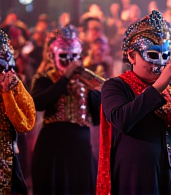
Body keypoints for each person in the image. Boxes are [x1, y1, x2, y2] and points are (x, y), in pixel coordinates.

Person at [97, 10, 171, 195]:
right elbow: (122, 120)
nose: (160, 63)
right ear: (131, 56)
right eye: (153, 56)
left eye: (165, 56)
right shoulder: (115, 86)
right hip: (137, 176)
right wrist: (160, 84)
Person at [30, 24, 101, 195]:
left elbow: (96, 120)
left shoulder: (88, 79)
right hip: (53, 147)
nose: (70, 62)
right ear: (51, 56)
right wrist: (65, 79)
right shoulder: (44, 79)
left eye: (74, 57)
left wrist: (95, 95)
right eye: (64, 56)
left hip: (80, 147)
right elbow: (38, 104)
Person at [0, 29, 36, 195]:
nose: (6, 73)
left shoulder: (12, 85)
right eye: (1, 67)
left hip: (8, 161)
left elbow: (26, 123)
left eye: (10, 67)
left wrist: (8, 94)